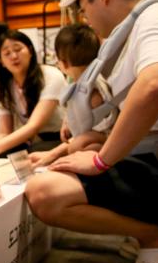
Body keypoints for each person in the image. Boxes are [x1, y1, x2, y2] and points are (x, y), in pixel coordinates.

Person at [25, 0, 158, 263]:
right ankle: (153, 225)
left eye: (83, 8)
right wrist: (89, 142)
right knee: (80, 149)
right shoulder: (129, 34)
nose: (84, 19)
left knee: (44, 193)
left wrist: (103, 159)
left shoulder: (155, 16)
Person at [0, 30, 66, 158]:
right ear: (0, 61)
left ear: (30, 51)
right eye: (7, 53)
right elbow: (4, 135)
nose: (14, 56)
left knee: (21, 151)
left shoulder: (51, 75)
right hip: (31, 143)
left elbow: (33, 126)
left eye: (18, 49)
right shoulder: (6, 87)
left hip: (59, 140)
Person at [29, 24, 114, 167]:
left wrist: (55, 153)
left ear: (63, 63)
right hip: (82, 136)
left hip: (105, 140)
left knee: (79, 144)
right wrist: (67, 121)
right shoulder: (80, 83)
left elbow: (98, 130)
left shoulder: (93, 91)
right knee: (77, 143)